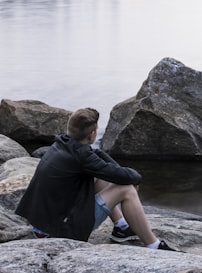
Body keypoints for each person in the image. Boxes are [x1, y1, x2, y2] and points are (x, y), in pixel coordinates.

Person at [15, 107, 177, 251]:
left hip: (40, 226)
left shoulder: (62, 144)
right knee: (126, 190)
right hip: (58, 233)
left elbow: (99, 158)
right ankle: (153, 245)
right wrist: (131, 180)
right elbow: (131, 176)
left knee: (100, 179)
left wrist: (120, 174)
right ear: (92, 134)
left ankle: (121, 227)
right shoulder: (81, 158)